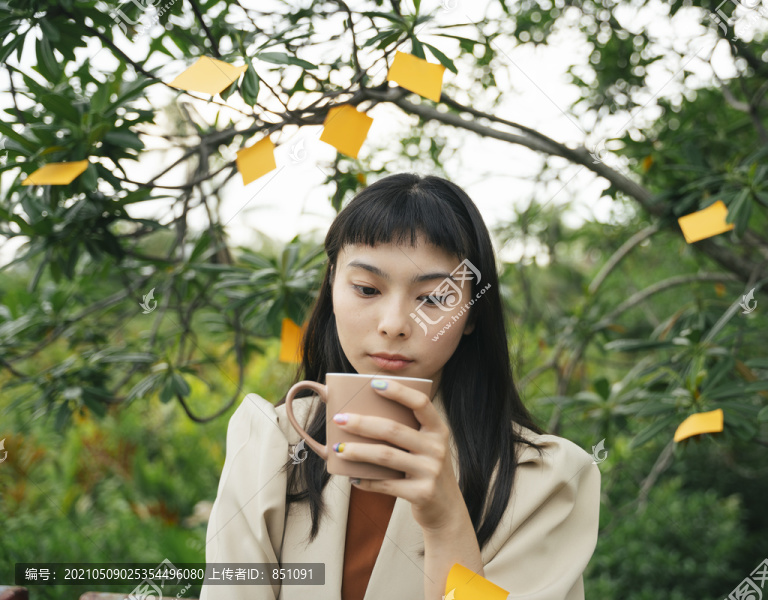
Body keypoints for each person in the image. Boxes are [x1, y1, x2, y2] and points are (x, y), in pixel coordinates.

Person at [200, 173, 601, 600]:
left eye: (431, 298)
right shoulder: (269, 442)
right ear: (333, 288)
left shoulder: (545, 483)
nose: (393, 324)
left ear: (470, 316)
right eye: (367, 289)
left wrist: (446, 520)